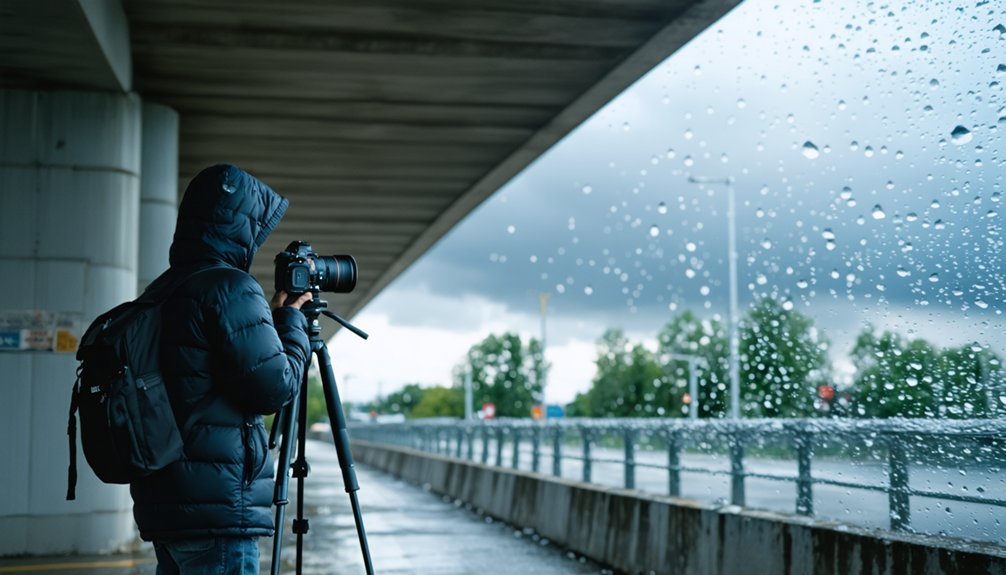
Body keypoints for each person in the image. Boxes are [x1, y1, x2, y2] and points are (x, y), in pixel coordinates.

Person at [130, 164, 312, 574]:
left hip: (167, 502)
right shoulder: (230, 286)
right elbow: (274, 388)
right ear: (240, 227)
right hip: (219, 508)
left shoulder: (163, 289)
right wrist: (290, 322)